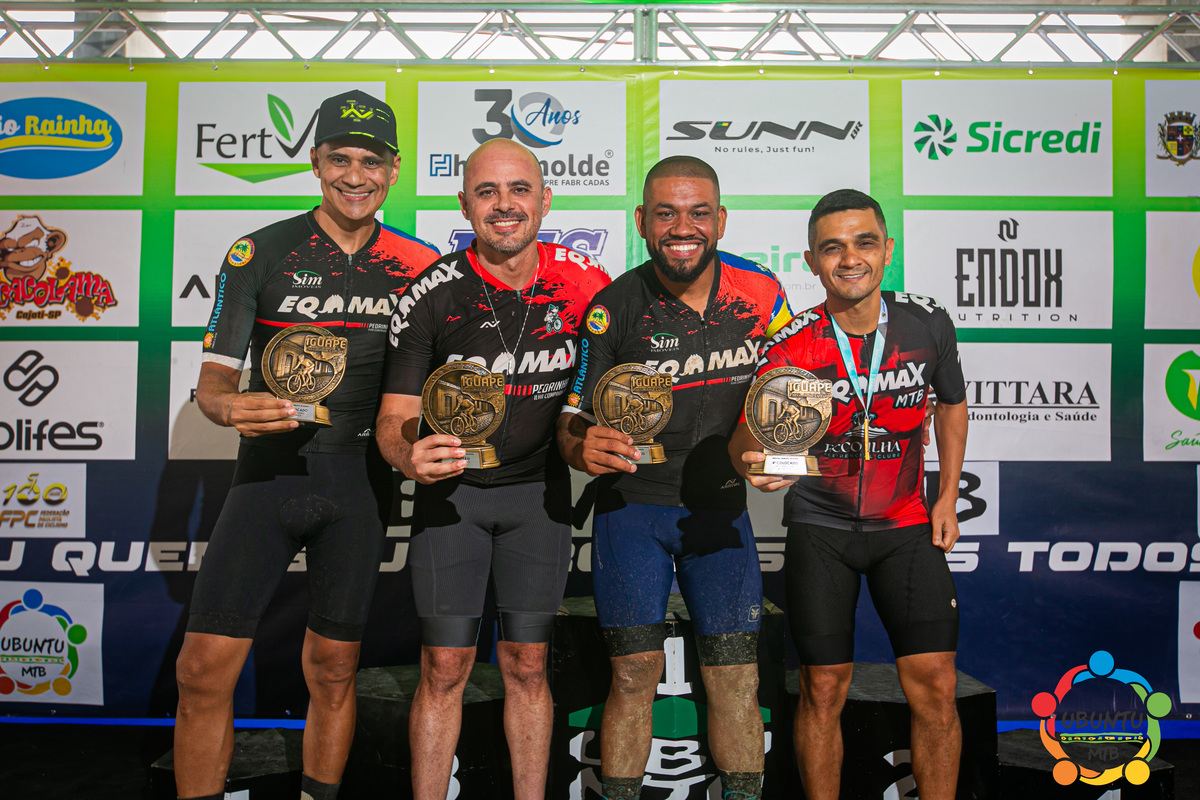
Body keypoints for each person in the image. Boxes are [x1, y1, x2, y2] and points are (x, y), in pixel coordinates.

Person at [174, 90, 440, 800]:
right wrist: (228, 406)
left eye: (371, 162)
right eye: (340, 158)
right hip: (269, 478)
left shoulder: (421, 264)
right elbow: (212, 382)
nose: (356, 175)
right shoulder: (259, 251)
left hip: (361, 485)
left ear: (394, 169)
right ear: (316, 161)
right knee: (200, 671)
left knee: (334, 670)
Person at [375, 138, 611, 800]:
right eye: (487, 191)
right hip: (453, 499)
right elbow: (394, 418)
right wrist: (407, 454)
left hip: (538, 499)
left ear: (545, 199)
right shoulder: (431, 293)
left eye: (519, 189)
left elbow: (613, 389)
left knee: (529, 665)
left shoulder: (587, 284)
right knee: (444, 667)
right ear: (464, 204)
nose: (505, 205)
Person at [556, 155, 793, 800]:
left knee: (736, 678)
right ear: (641, 221)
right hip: (632, 512)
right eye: (666, 213)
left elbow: (790, 388)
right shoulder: (611, 308)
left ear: (722, 219)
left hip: (721, 513)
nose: (682, 227)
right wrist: (581, 447)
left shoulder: (763, 293)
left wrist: (780, 448)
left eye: (697, 213)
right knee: (634, 674)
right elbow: (573, 419)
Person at [729, 188, 969, 800]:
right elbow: (742, 444)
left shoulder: (927, 322)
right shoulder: (792, 343)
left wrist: (945, 496)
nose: (850, 258)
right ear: (811, 262)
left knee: (936, 685)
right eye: (832, 248)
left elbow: (952, 403)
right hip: (822, 531)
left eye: (865, 243)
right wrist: (756, 465)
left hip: (906, 525)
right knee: (822, 688)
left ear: (888, 250)